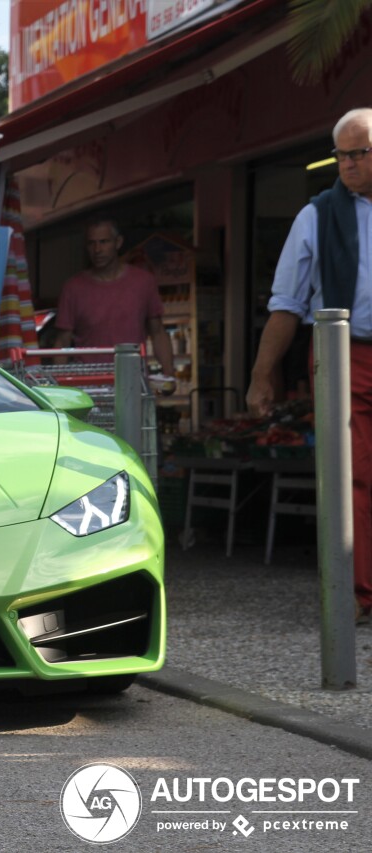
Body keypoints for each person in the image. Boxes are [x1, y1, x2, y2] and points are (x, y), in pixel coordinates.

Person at [246, 107, 372, 625]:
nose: (347, 164)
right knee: (352, 475)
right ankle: (360, 593)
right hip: (345, 354)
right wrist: (261, 376)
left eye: (358, 153)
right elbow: (286, 305)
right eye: (340, 154)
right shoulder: (317, 216)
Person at [52, 218, 176, 381]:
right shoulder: (73, 288)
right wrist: (57, 385)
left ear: (118, 242)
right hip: (88, 384)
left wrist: (169, 374)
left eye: (104, 242)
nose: (97, 249)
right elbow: (62, 342)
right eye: (92, 243)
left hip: (133, 382)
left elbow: (158, 332)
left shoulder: (144, 282)